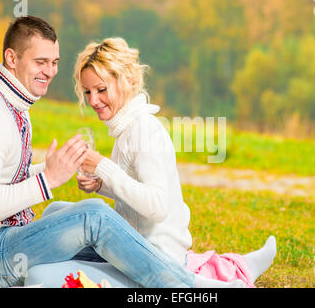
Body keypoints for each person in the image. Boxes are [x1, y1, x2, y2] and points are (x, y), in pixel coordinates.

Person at [0, 16, 244, 288]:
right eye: (40, 62)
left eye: (54, 62)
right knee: (95, 216)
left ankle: (181, 275)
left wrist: (51, 170)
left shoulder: (9, 106)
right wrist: (47, 180)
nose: (50, 72)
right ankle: (192, 287)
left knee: (66, 213)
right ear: (11, 58)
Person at [67, 37, 277, 287]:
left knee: (75, 239)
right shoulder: (126, 129)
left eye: (101, 90)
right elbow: (133, 192)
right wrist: (100, 184)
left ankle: (211, 282)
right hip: (132, 243)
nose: (92, 100)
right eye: (88, 91)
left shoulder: (144, 131)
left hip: (155, 253)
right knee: (61, 215)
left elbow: (157, 205)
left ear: (127, 81)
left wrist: (103, 166)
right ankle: (232, 269)